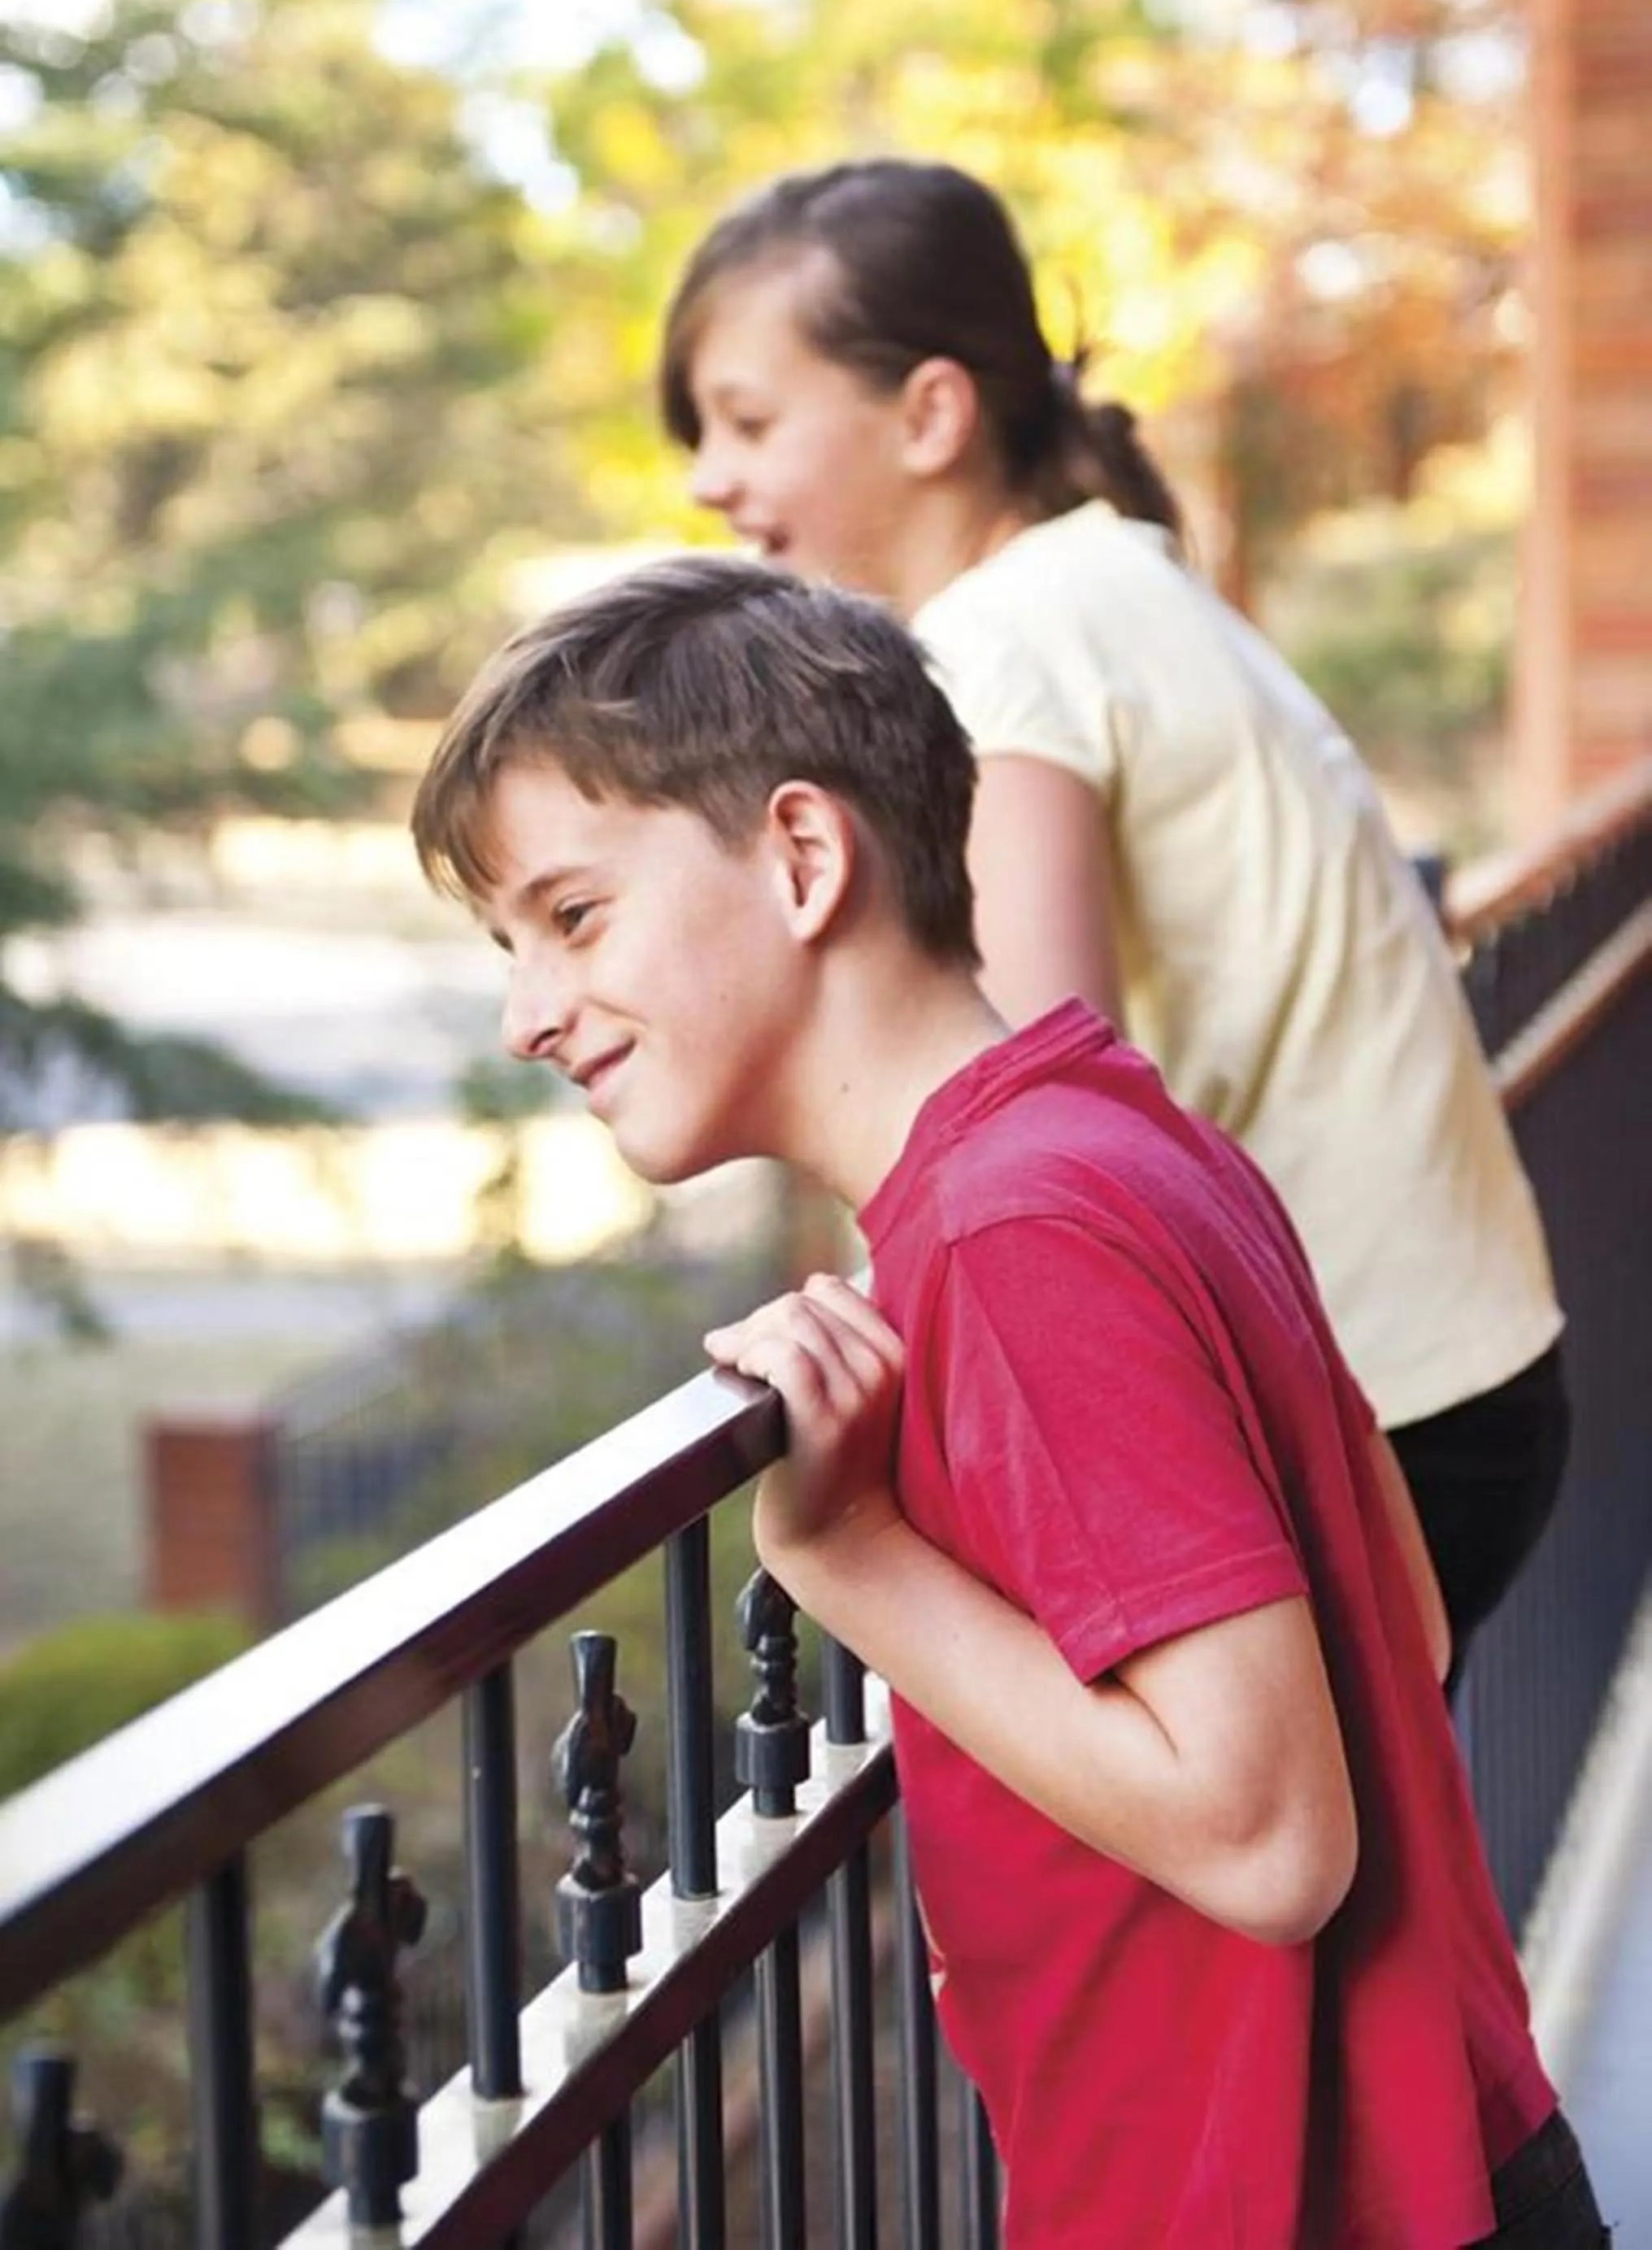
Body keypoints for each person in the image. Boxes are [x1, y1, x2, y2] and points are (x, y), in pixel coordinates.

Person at [411, 553, 1606, 2247]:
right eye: (504, 946)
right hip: (1442, 2160)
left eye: (572, 916)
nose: (527, 1012)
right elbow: (1395, 1621)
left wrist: (851, 1559)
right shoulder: (1114, 1128)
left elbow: (1273, 1844)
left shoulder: (1009, 1231)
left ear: (805, 858)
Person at [658, 156, 1569, 1682]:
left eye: (749, 422)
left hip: (1373, 1407)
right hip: (1446, 1369)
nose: (707, 480)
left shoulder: (1003, 640)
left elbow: (1024, 1094)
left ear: (932, 416)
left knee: (1261, 1896)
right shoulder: (1107, 582)